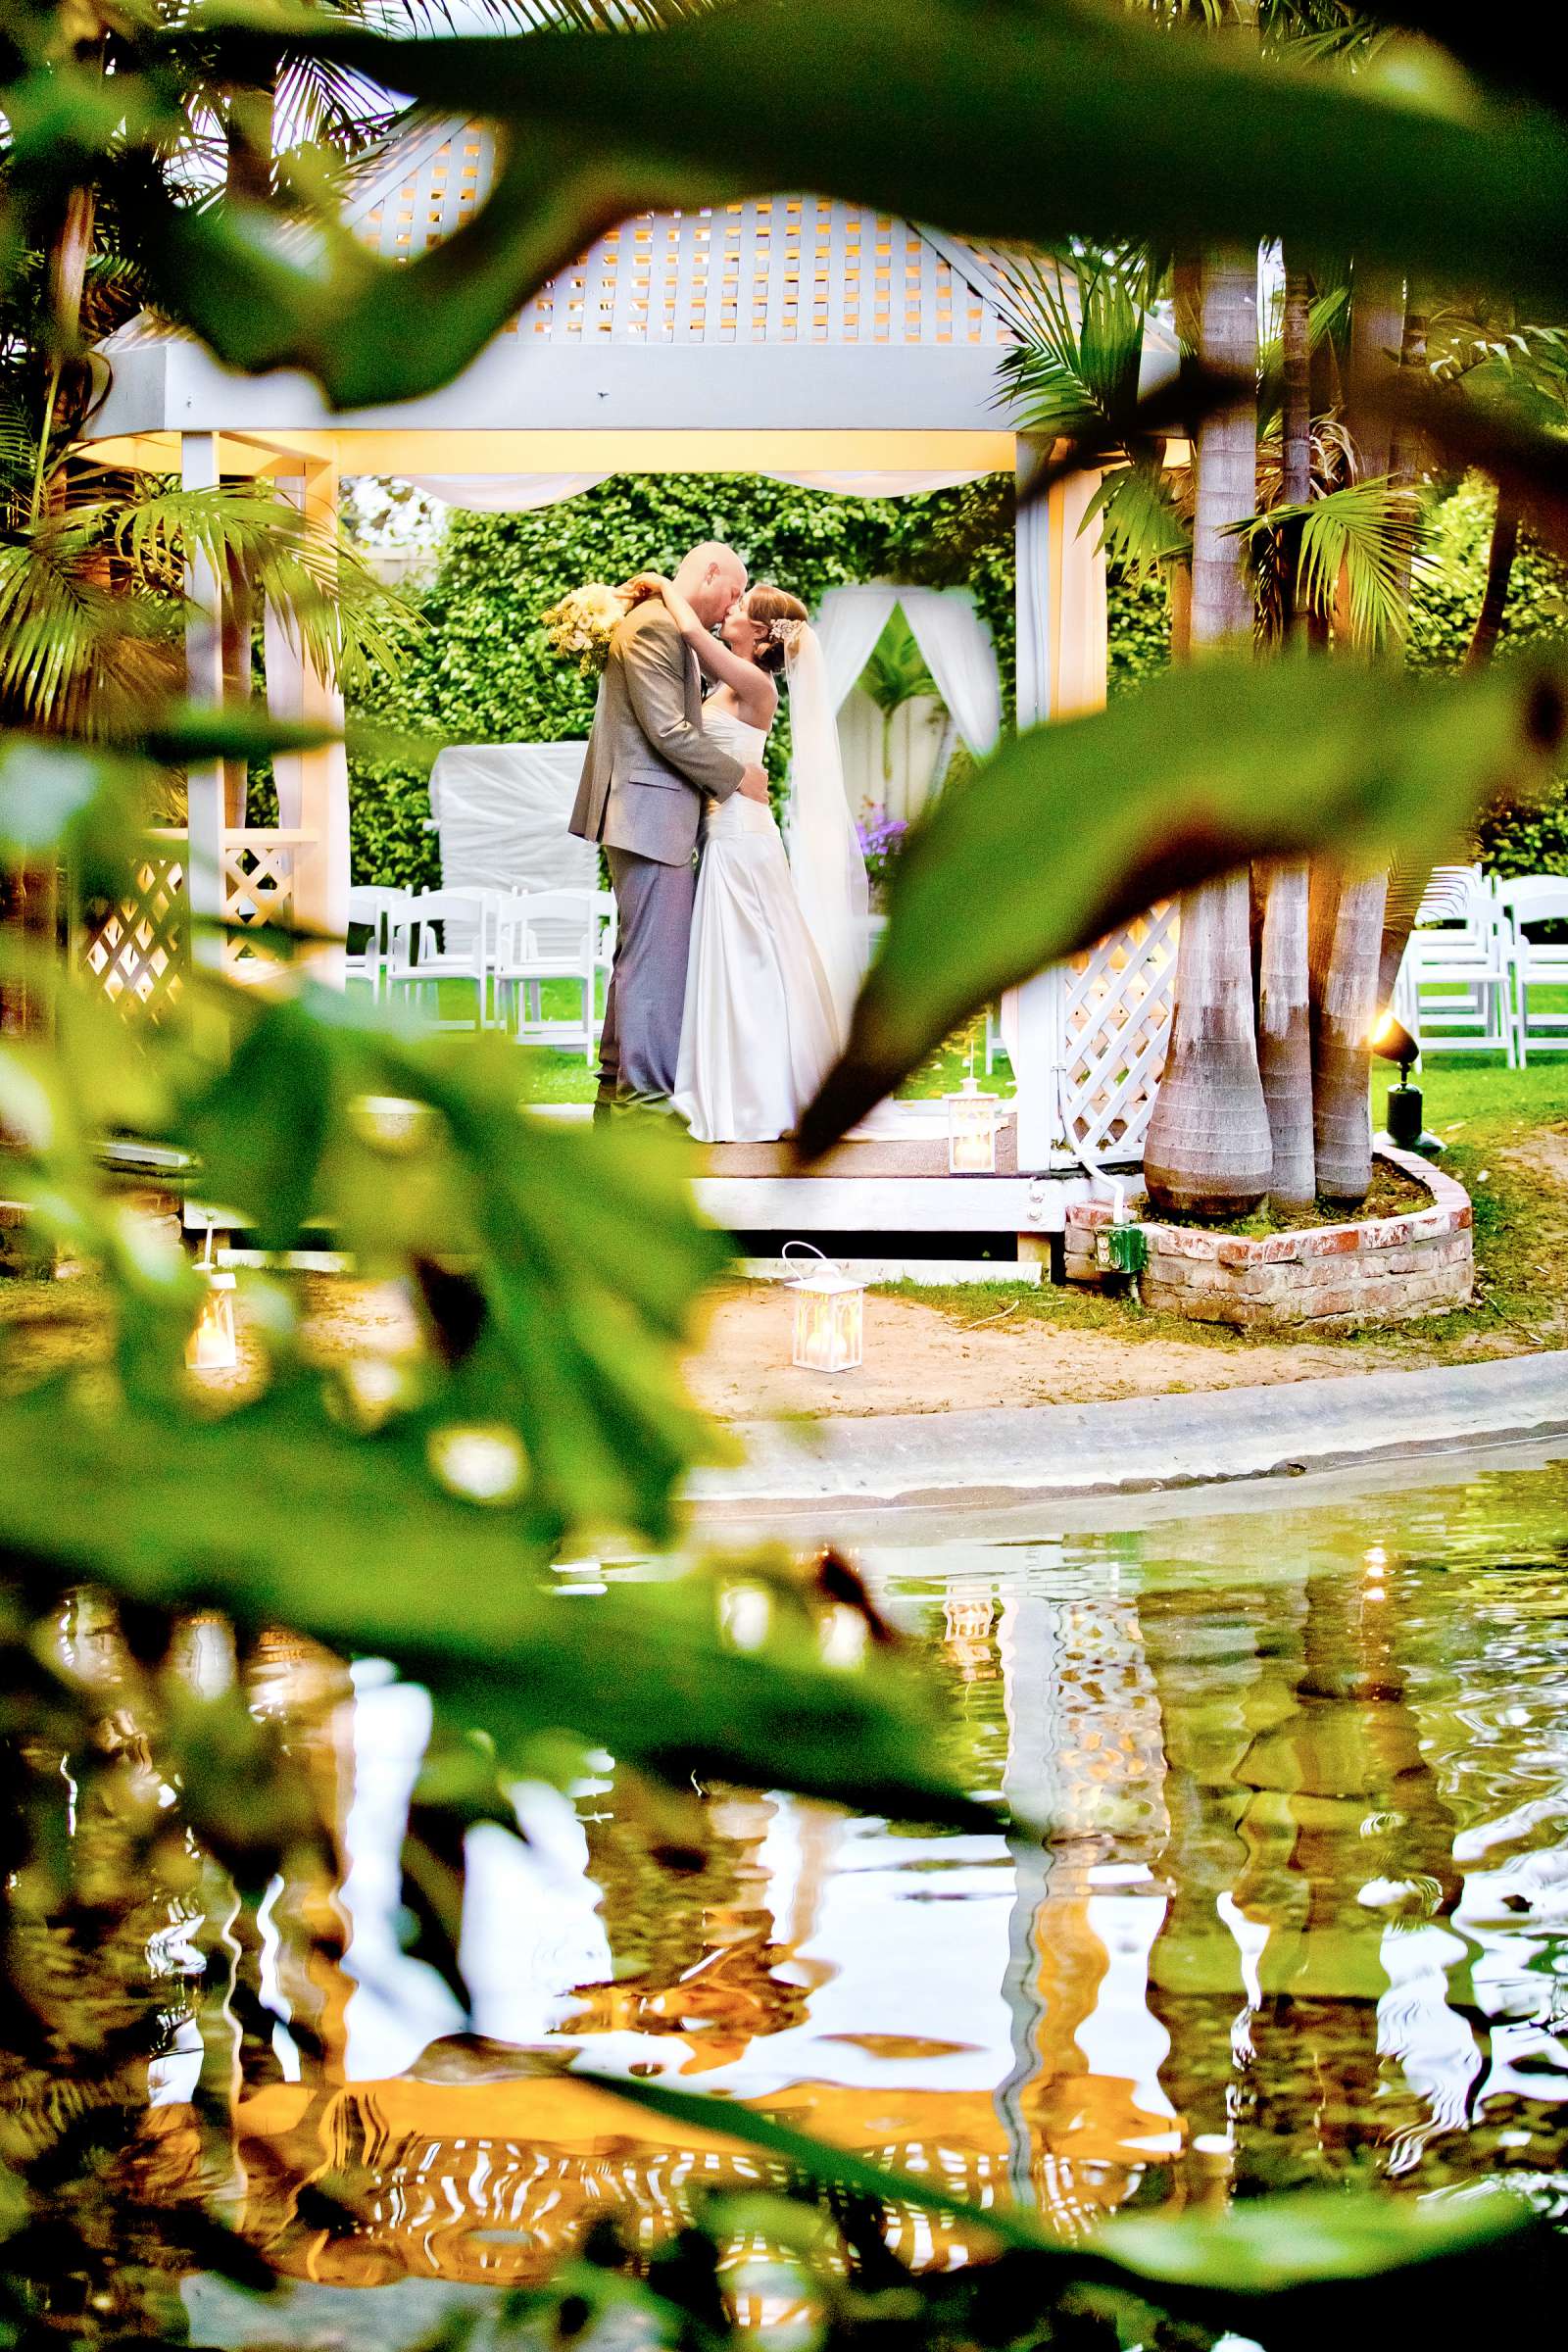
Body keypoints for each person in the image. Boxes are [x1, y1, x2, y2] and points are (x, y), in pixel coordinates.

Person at [626, 572, 867, 1145]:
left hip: (741, 840)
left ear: (758, 635)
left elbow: (689, 629)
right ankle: (739, 1087)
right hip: (726, 834)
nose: (729, 607)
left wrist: (663, 584)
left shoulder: (755, 684)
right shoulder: (728, 681)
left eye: (740, 604)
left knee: (751, 962)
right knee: (739, 961)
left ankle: (761, 1095)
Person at [568, 541, 770, 1117]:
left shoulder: (662, 622)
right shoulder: (656, 627)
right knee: (656, 962)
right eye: (732, 592)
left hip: (647, 816)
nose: (731, 605)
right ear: (710, 573)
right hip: (648, 817)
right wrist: (738, 778)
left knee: (638, 956)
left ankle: (616, 1091)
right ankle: (647, 1106)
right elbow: (670, 732)